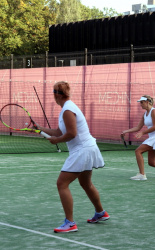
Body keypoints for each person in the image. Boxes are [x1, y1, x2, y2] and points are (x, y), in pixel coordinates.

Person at [38, 81, 109, 233]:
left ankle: (70, 223)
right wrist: (39, 129)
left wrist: (56, 141)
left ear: (57, 94)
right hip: (88, 148)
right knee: (86, 184)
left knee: (61, 184)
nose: (53, 95)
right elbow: (58, 131)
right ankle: (100, 213)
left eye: (53, 92)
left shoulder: (68, 110)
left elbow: (71, 134)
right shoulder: (66, 108)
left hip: (82, 150)